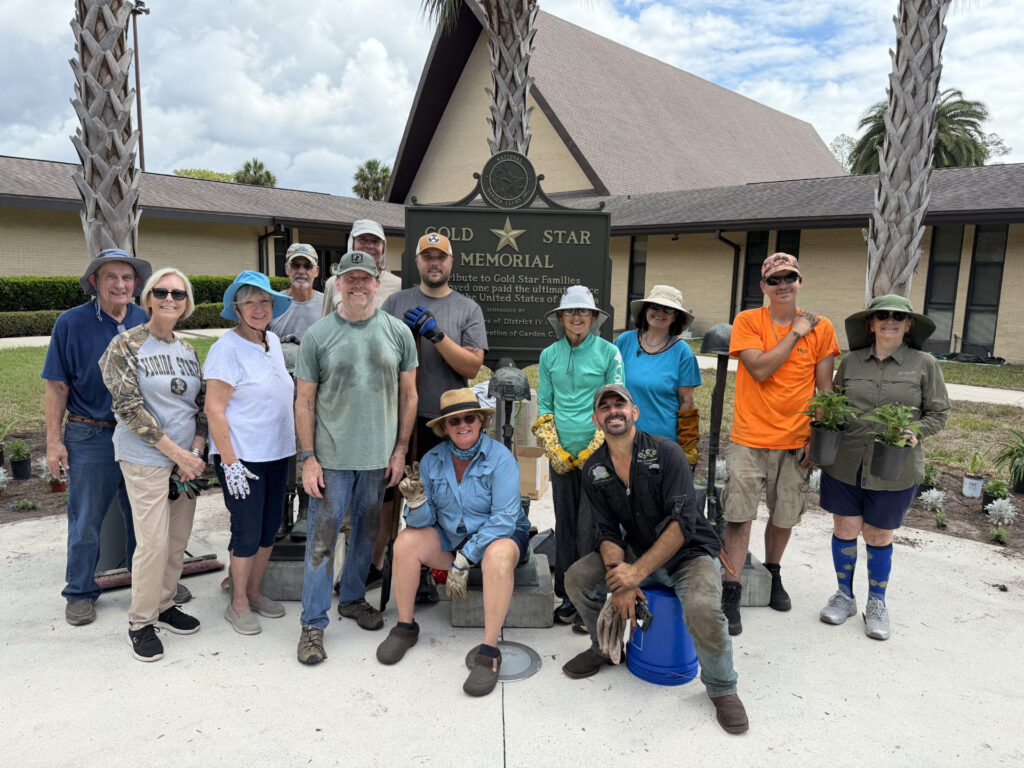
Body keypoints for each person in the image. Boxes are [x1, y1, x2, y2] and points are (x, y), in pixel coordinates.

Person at [563, 384, 748, 734]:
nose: (613, 411)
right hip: (637, 552)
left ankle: (723, 688)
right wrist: (619, 578)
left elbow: (682, 524)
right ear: (595, 419)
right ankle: (604, 648)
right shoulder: (594, 469)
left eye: (621, 404)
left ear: (634, 412)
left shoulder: (667, 453)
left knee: (703, 609)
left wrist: (634, 574)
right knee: (576, 578)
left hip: (689, 553)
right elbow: (605, 531)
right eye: (605, 407)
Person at [294, 250, 417, 665]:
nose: (358, 285)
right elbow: (305, 401)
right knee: (322, 542)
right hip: (331, 458)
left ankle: (351, 598)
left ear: (377, 284)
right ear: (339, 285)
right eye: (351, 279)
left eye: (366, 279)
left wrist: (400, 450)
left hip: (378, 459)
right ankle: (312, 625)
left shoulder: (398, 333)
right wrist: (308, 458)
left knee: (366, 534)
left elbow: (408, 395)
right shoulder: (319, 335)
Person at [376, 389, 530, 697]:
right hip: (451, 536)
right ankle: (405, 626)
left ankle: (489, 649)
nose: (463, 425)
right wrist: (417, 503)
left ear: (480, 423)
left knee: (498, 554)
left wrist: (465, 557)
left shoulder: (501, 459)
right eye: (454, 421)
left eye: (469, 418)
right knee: (405, 543)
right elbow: (423, 522)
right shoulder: (432, 461)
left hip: (499, 537)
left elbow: (503, 519)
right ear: (444, 428)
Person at [720, 253, 840, 636]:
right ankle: (731, 586)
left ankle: (773, 572)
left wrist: (816, 438)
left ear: (800, 282)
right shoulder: (748, 321)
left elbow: (825, 390)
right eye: (775, 280)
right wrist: (794, 333)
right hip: (749, 438)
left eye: (790, 278)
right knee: (739, 514)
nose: (783, 284)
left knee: (784, 514)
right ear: (764, 287)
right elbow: (759, 368)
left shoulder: (822, 329)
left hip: (795, 440)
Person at [818, 295, 949, 640]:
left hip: (896, 465)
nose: (889, 321)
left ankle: (876, 602)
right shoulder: (851, 362)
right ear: (871, 324)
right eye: (882, 316)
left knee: (878, 534)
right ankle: (844, 595)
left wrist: (917, 431)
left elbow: (939, 412)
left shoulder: (924, 364)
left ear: (908, 326)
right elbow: (835, 402)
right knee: (845, 527)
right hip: (846, 460)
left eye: (898, 317)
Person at [99, 268, 207, 662]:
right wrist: (176, 455)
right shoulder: (125, 344)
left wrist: (193, 453)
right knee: (154, 542)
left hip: (185, 464)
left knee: (177, 542)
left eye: (178, 294)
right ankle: (140, 622)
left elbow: (200, 407)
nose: (169, 299)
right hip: (145, 458)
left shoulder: (188, 350)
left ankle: (164, 605)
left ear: (186, 303)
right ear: (147, 298)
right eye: (161, 291)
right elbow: (127, 407)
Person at [43, 248, 152, 626]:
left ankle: (148, 585)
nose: (120, 284)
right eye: (111, 277)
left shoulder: (145, 318)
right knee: (86, 517)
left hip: (139, 435)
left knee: (143, 516)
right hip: (91, 433)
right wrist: (54, 441)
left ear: (136, 284)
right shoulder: (70, 323)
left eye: (127, 278)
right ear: (95, 282)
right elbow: (56, 386)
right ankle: (79, 591)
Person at [378, 231, 487, 599]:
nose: (434, 262)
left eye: (441, 257)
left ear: (450, 263)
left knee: (438, 500)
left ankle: (429, 570)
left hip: (447, 426)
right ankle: (380, 565)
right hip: (399, 422)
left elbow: (472, 367)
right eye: (428, 256)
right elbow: (376, 358)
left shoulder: (467, 308)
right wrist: (404, 341)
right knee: (393, 499)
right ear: (419, 262)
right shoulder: (395, 303)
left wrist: (437, 336)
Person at [204, 271, 296, 635]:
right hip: (242, 457)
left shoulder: (271, 341)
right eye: (250, 302)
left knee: (269, 526)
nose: (259, 309)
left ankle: (254, 590)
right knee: (246, 530)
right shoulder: (226, 349)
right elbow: (214, 408)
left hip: (277, 452)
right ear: (237, 309)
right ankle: (238, 601)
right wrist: (230, 463)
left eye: (264, 301)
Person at [532, 285, 623, 629]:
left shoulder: (609, 353)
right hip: (561, 458)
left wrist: (596, 447)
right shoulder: (548, 356)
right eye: (570, 311)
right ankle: (568, 597)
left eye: (583, 312)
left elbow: (615, 401)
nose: (576, 317)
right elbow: (545, 404)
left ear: (594, 317)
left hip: (599, 455)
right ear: (560, 317)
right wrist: (552, 447)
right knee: (566, 524)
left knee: (593, 526)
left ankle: (592, 599)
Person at [614, 284, 702, 465]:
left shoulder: (682, 352)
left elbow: (687, 401)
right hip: (622, 438)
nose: (659, 312)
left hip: (662, 443)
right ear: (645, 310)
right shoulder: (624, 341)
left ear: (675, 316)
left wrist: (687, 445)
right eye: (654, 306)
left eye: (668, 309)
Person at [320, 220, 401, 316]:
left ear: (383, 248)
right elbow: (326, 324)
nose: (370, 246)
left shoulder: (398, 285)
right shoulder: (333, 283)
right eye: (363, 240)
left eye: (376, 241)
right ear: (352, 244)